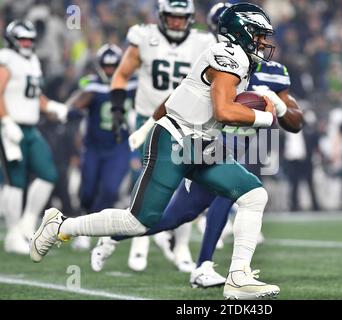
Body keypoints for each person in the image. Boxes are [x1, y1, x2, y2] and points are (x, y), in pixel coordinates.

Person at [31, 2, 282, 300]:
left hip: (201, 144)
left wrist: (256, 108)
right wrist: (266, 116)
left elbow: (214, 107)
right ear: (242, 32)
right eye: (259, 34)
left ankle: (238, 277)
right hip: (175, 141)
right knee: (137, 221)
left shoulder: (236, 57)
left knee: (254, 194)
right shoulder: (227, 55)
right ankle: (61, 225)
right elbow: (224, 111)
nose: (264, 42)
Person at [90, 2, 303, 290]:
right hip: (210, 141)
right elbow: (179, 96)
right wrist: (148, 125)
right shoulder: (218, 59)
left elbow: (295, 122)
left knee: (214, 205)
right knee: (180, 213)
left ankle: (214, 269)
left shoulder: (272, 70)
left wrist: (277, 107)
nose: (261, 41)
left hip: (249, 145)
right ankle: (194, 262)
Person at [109, 0, 217, 273]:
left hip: (185, 121)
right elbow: (121, 75)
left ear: (191, 18)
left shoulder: (203, 41)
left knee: (185, 184)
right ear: (161, 16)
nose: (177, 22)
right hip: (149, 121)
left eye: (182, 18)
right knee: (144, 180)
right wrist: (118, 109)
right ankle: (139, 242)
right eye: (171, 17)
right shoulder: (144, 37)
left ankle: (180, 247)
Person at [0, 20, 68, 255]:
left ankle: (27, 223)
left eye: (30, 39)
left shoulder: (32, 61)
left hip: (30, 128)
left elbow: (33, 93)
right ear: (12, 40)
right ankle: (12, 235)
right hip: (10, 127)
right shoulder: (6, 58)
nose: (27, 44)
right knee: (15, 181)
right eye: (23, 40)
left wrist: (50, 105)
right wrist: (6, 121)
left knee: (48, 173)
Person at [65, 44, 137, 250]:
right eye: (106, 66)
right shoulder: (92, 85)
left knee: (110, 189)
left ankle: (90, 230)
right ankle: (84, 222)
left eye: (114, 66)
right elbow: (72, 106)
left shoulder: (132, 85)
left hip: (118, 147)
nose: (109, 70)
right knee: (87, 191)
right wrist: (73, 111)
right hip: (93, 147)